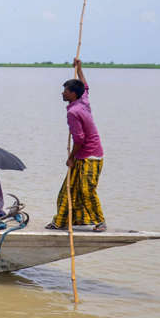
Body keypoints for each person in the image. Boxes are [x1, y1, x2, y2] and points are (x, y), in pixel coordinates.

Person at [47, 58, 106, 231]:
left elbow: (79, 139)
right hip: (84, 155)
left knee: (86, 191)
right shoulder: (83, 101)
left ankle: (100, 222)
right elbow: (85, 87)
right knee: (67, 190)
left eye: (65, 91)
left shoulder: (73, 112)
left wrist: (70, 158)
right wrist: (79, 69)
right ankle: (61, 221)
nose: (62, 93)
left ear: (73, 94)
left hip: (90, 156)